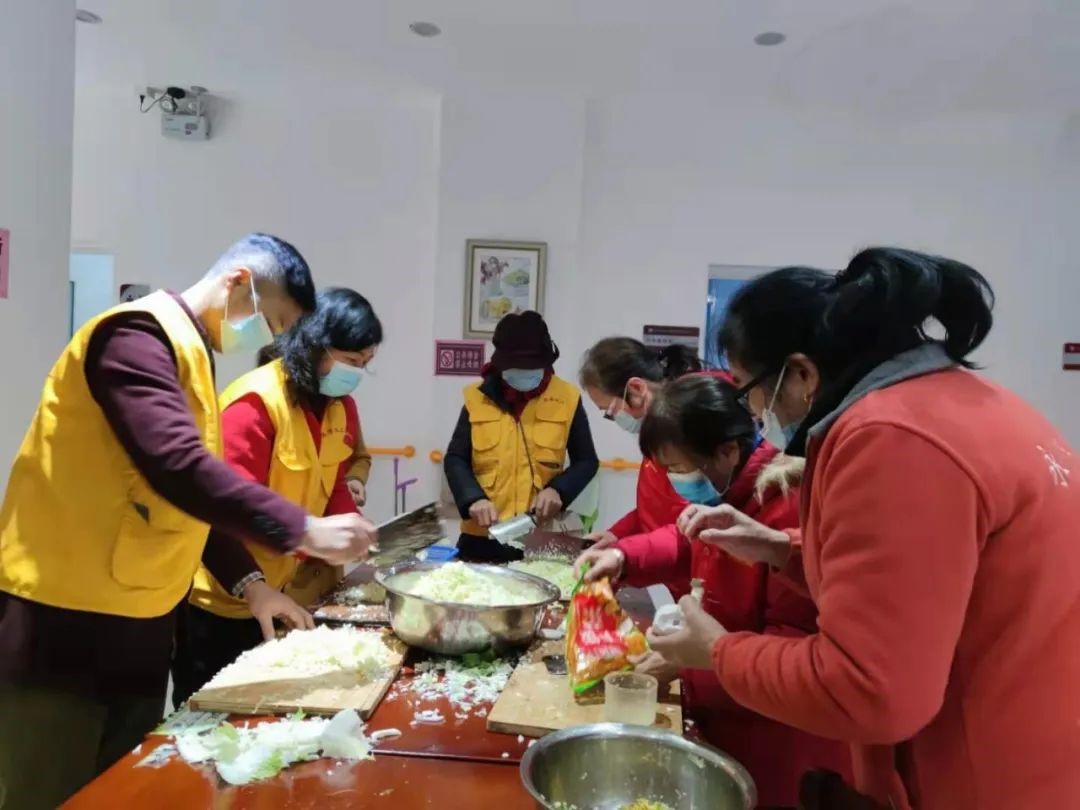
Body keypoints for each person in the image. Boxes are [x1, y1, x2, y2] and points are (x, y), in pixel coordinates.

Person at [648, 248, 1080, 809]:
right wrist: (779, 549)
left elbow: (870, 688)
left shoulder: (892, 437)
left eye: (745, 388)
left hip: (981, 776)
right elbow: (924, 588)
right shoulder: (976, 406)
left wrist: (718, 652)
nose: (753, 411)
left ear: (801, 373)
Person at [0, 234, 376, 810]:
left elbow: (190, 505)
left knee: (126, 794)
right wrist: (302, 529)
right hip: (64, 629)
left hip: (142, 629)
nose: (273, 339)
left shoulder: (194, 362)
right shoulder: (132, 336)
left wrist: (253, 588)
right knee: (49, 792)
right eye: (273, 319)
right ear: (239, 283)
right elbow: (178, 467)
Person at [576, 375, 850, 807]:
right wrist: (624, 557)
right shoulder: (730, 492)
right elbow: (686, 541)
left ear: (728, 450)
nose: (676, 483)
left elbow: (792, 649)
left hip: (776, 742)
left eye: (680, 470)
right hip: (724, 710)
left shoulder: (782, 504)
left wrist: (691, 664)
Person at [172, 288, 382, 705]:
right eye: (351, 362)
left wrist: (352, 532)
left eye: (366, 365)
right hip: (222, 597)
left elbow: (334, 479)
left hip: (281, 590)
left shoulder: (339, 407)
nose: (357, 373)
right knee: (206, 725)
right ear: (315, 345)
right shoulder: (255, 404)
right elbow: (219, 510)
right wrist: (254, 586)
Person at [444, 311, 599, 562]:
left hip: (541, 534)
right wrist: (473, 498)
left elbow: (587, 460)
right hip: (483, 536)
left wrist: (559, 491)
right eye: (516, 368)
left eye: (532, 368)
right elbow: (455, 458)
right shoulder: (477, 397)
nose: (525, 374)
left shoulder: (567, 398)